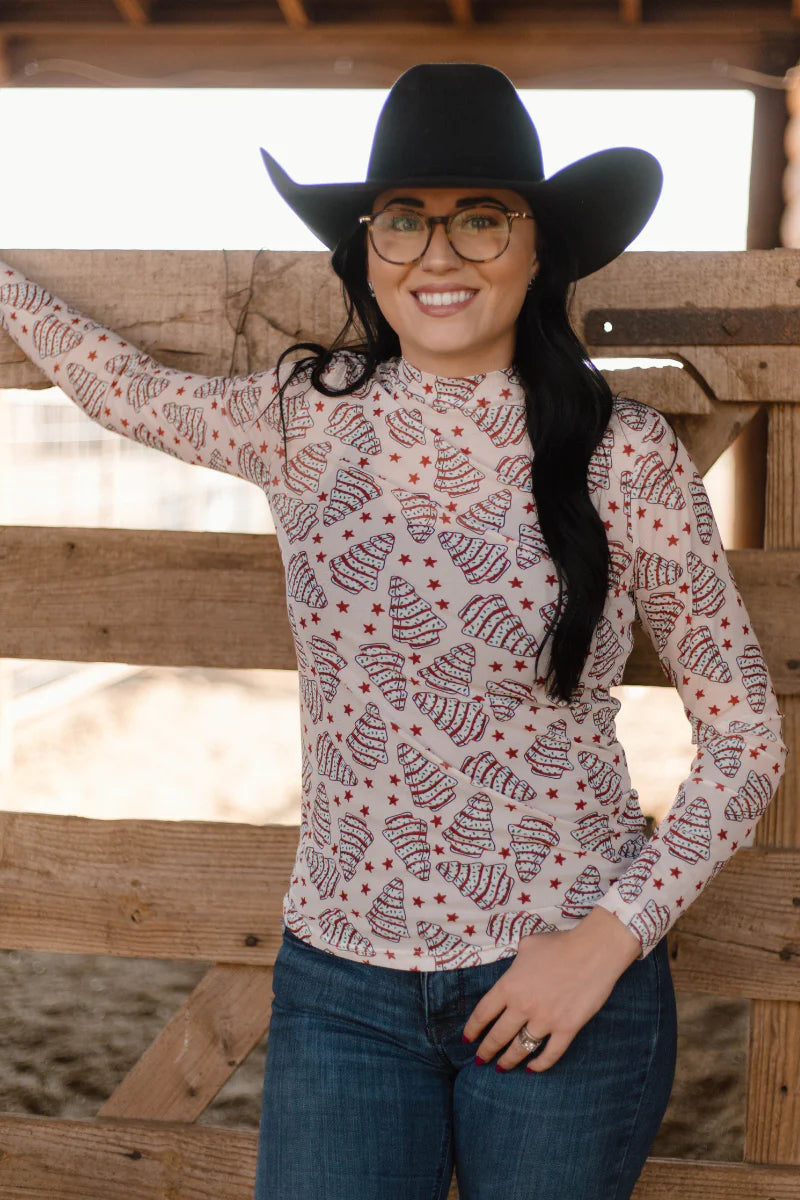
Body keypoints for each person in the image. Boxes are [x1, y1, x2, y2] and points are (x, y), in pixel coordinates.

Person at [0, 62, 787, 1200]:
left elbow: (744, 741)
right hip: (342, 990)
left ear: (535, 248)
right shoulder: (301, 420)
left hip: (560, 975)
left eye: (480, 221)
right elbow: (116, 383)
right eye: (403, 222)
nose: (438, 254)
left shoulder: (623, 454)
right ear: (367, 248)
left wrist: (603, 945)